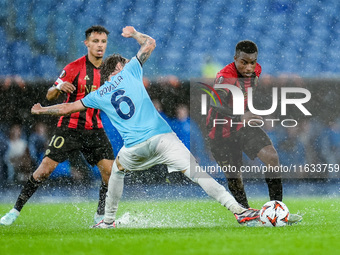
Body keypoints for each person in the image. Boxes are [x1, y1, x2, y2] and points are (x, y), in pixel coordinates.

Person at [29, 26, 261, 228]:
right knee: (199, 175)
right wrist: (135, 34)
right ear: (118, 67)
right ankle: (239, 211)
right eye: (126, 62)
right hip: (163, 139)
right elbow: (150, 43)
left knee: (118, 170)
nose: (129, 63)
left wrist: (42, 110)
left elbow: (66, 108)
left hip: (135, 148)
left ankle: (107, 222)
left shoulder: (98, 94)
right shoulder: (130, 71)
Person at [0, 25, 114, 226]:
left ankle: (100, 215)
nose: (99, 45)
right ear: (86, 43)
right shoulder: (73, 68)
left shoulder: (108, 71)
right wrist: (59, 86)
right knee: (44, 170)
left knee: (110, 173)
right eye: (95, 41)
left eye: (103, 42)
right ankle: (14, 211)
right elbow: (49, 95)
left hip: (94, 128)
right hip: (69, 128)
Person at [206, 40, 302, 223]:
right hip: (220, 133)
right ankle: (246, 215)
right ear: (235, 59)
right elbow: (214, 103)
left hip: (243, 127)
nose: (249, 67)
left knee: (272, 157)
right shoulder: (225, 77)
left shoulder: (256, 70)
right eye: (244, 62)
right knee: (235, 177)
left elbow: (249, 90)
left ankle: (277, 212)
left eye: (252, 62)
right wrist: (241, 115)